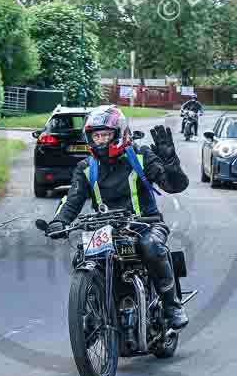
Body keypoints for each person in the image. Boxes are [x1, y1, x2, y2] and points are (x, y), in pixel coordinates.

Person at [45, 105, 190, 330]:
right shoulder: (85, 168)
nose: (101, 140)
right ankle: (94, 308)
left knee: (150, 247)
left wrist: (171, 162)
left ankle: (172, 306)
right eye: (97, 136)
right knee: (82, 258)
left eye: (106, 135)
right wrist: (59, 221)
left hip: (146, 223)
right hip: (104, 229)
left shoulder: (141, 156)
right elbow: (72, 199)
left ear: (119, 133)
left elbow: (174, 186)